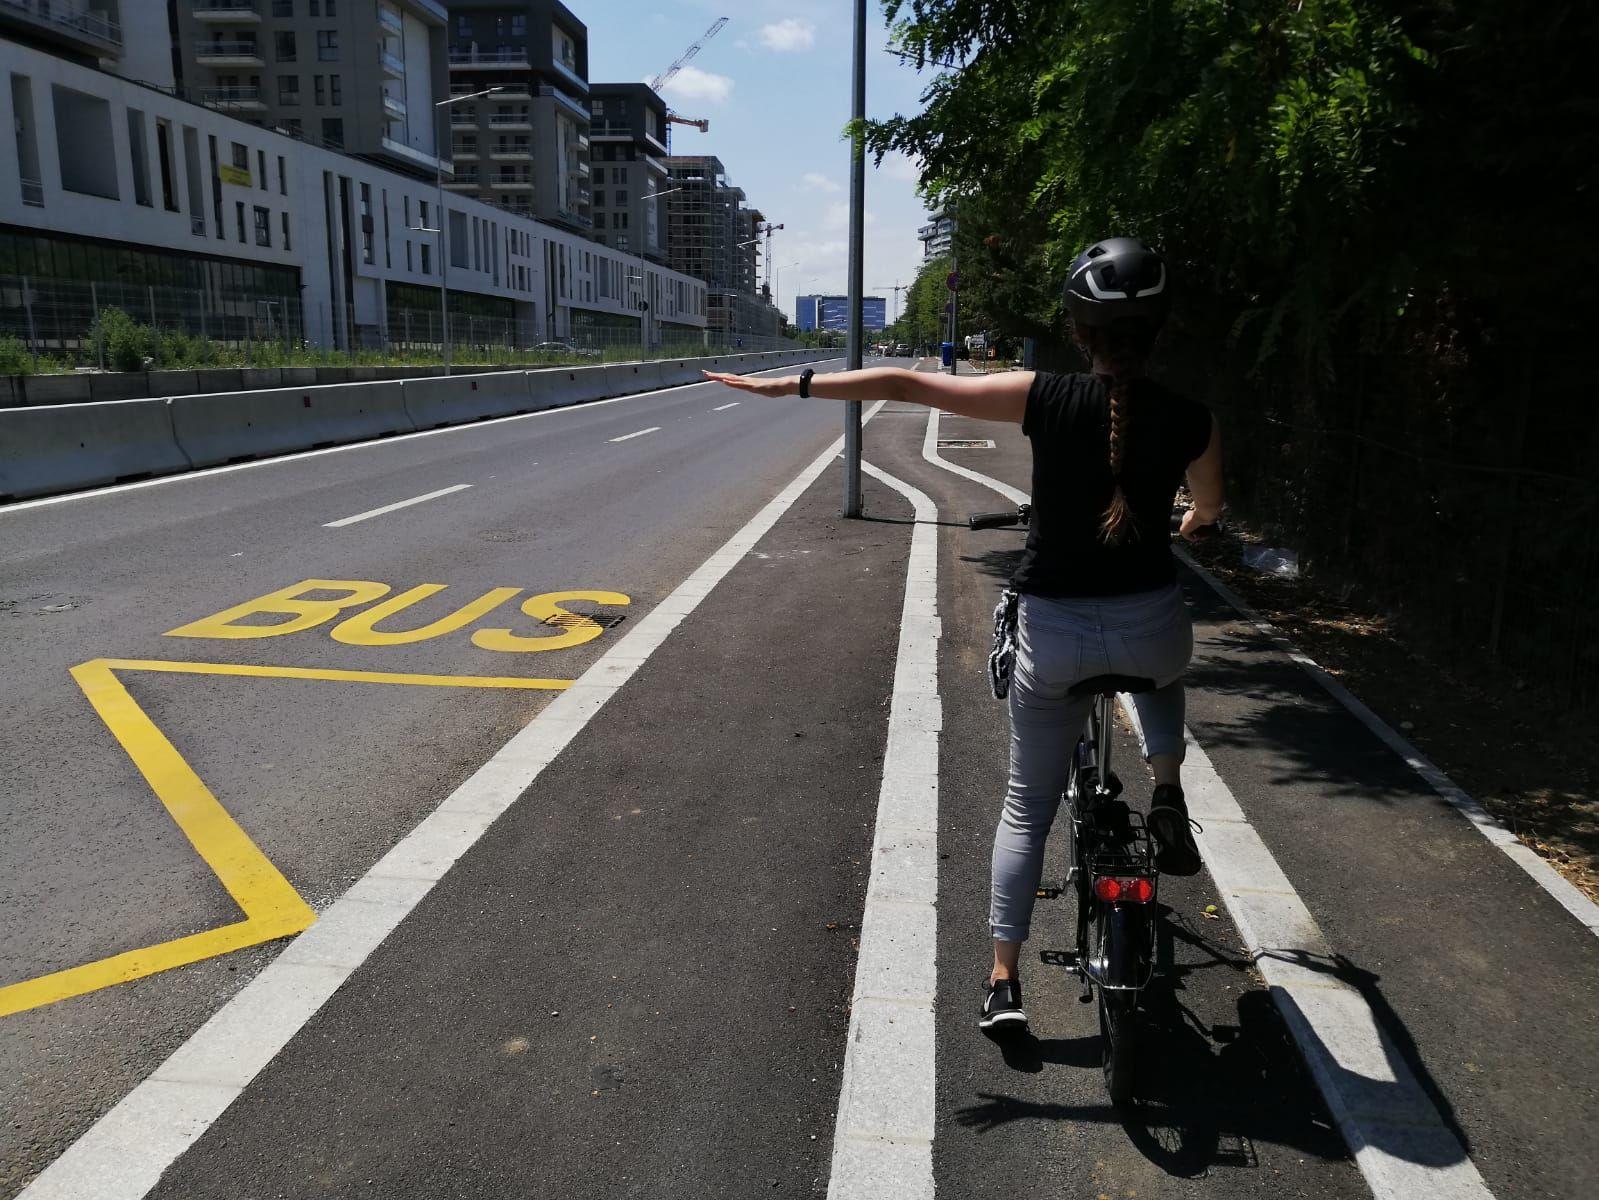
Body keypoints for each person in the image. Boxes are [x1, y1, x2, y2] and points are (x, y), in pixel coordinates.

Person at [703, 237, 1224, 1035]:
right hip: (1149, 629)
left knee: (1026, 809)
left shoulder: (1040, 396)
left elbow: (907, 380)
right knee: (1160, 671)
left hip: (1054, 639)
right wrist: (1185, 519)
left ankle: (1004, 983)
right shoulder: (1194, 419)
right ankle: (1164, 790)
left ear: (1077, 330)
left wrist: (794, 383)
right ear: (1160, 330)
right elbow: (1207, 510)